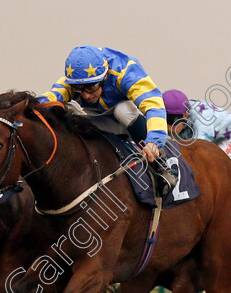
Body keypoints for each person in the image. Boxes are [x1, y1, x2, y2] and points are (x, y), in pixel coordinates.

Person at [37, 46, 176, 195]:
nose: (85, 96)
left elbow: (153, 103)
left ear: (104, 77)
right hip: (98, 119)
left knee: (122, 111)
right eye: (79, 89)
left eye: (90, 88)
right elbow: (49, 99)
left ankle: (160, 164)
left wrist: (154, 141)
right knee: (66, 110)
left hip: (127, 119)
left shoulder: (125, 72)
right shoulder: (75, 79)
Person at [162, 89, 231, 171]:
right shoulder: (180, 119)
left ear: (185, 116)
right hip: (200, 136)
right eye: (163, 119)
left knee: (214, 166)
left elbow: (199, 151)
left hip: (228, 140)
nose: (167, 127)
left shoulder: (201, 123)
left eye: (171, 120)